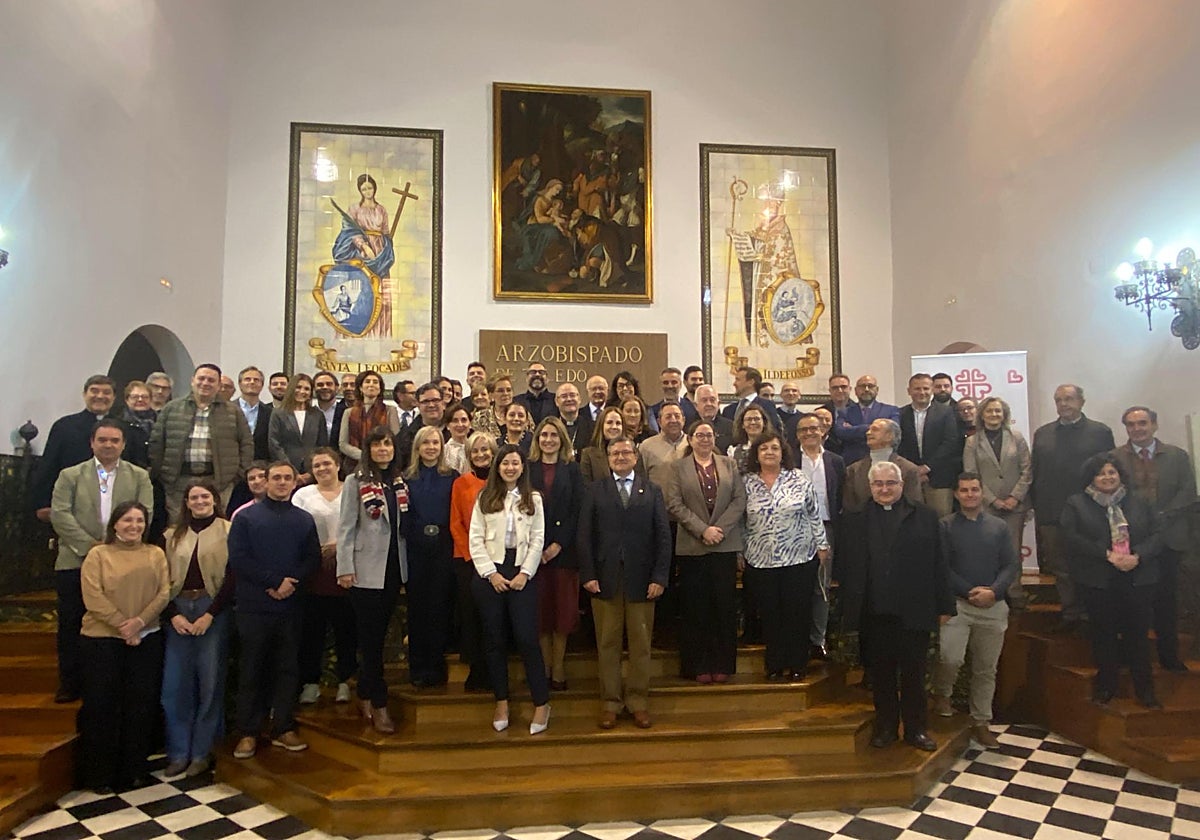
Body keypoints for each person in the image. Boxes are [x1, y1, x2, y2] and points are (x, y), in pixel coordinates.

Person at [835, 461, 954, 752]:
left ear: (901, 485)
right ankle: (886, 727)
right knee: (881, 675)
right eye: (878, 484)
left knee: (914, 675)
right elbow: (847, 568)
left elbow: (940, 563)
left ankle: (916, 729)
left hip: (914, 609)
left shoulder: (926, 516)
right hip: (874, 612)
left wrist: (944, 606)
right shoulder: (854, 519)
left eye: (891, 483)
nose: (884, 489)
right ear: (870, 487)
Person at [49, 419, 153, 703]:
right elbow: (60, 514)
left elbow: (145, 513)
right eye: (103, 440)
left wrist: (114, 548)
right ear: (92, 443)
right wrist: (92, 548)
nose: (109, 445)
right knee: (72, 622)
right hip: (76, 558)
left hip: (123, 561)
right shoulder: (70, 475)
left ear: (123, 444)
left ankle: (111, 682)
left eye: (115, 440)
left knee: (115, 620)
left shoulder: (139, 477)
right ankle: (71, 682)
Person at [578, 435, 672, 729]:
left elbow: (663, 537)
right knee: (607, 643)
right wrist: (589, 574)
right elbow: (584, 536)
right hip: (605, 579)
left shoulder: (652, 491)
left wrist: (659, 576)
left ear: (635, 457)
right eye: (615, 453)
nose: (620, 457)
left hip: (642, 580)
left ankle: (637, 701)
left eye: (626, 452)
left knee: (641, 643)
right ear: (608, 458)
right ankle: (610, 703)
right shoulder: (595, 490)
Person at [228, 462, 320, 758]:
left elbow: (312, 559)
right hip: (254, 605)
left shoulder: (303, 519)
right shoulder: (246, 518)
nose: (281, 482)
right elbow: (239, 559)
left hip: (291, 605)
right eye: (276, 478)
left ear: (295, 483)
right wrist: (273, 582)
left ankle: (283, 727)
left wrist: (289, 583)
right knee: (251, 669)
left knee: (287, 668)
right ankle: (248, 732)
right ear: (265, 482)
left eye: (287, 478)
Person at [78, 501, 170, 793]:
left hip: (146, 638)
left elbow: (164, 592)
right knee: (102, 706)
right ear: (115, 524)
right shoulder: (98, 555)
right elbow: (93, 597)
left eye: (139, 521)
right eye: (127, 520)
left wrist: (139, 623)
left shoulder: (155, 553)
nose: (134, 526)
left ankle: (134, 769)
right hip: (102, 641)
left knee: (139, 706)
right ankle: (100, 774)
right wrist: (123, 625)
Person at [1061, 453, 1163, 708]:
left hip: (1138, 577)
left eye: (1111, 472)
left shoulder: (1140, 500)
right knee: (1104, 634)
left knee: (1138, 636)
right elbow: (1071, 538)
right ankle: (1107, 686)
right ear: (1091, 478)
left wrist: (1137, 557)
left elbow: (1159, 534)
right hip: (1099, 579)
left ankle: (1145, 690)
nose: (1107, 477)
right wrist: (1107, 555)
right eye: (1101, 473)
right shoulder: (1077, 503)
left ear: (1120, 475)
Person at [929, 473, 1018, 749]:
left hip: (994, 606)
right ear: (956, 494)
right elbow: (941, 566)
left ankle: (981, 722)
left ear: (982, 492)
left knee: (985, 669)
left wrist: (993, 591)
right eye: (964, 490)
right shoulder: (945, 526)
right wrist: (970, 592)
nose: (970, 494)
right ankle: (942, 696)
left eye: (975, 489)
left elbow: (1010, 565)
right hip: (958, 606)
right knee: (950, 658)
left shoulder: (999, 527)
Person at [469, 445, 553, 734]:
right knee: (494, 640)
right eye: (505, 463)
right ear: (498, 467)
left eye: (515, 463)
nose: (510, 468)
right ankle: (501, 701)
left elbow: (537, 539)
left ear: (522, 467)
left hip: (521, 572)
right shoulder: (485, 497)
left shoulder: (534, 499)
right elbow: (475, 539)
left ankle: (541, 703)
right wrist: (490, 574)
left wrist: (525, 574)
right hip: (490, 572)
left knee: (527, 639)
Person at [1111, 406, 1197, 670]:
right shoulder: (1115, 458)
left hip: (1170, 540)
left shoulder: (1176, 456)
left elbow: (1187, 492)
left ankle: (1169, 657)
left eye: (1142, 423)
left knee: (1167, 602)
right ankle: (1130, 658)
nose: (1137, 429)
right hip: (1132, 542)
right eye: (1131, 424)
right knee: (1129, 603)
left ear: (1155, 425)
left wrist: (1161, 516)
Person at [160, 479, 234, 778]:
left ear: (215, 500)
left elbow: (233, 576)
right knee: (174, 686)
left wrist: (211, 615)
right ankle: (178, 752)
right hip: (178, 610)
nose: (200, 501)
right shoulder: (170, 536)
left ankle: (202, 752)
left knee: (210, 683)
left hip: (212, 610)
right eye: (194, 497)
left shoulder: (229, 530)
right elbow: (159, 577)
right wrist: (172, 614)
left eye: (205, 496)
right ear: (186, 503)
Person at [741, 431, 829, 681]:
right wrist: (740, 551)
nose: (769, 452)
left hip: (799, 557)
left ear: (783, 453)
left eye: (775, 448)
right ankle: (775, 664)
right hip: (760, 558)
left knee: (797, 612)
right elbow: (740, 520)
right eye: (764, 449)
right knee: (770, 613)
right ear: (756, 455)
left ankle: (798, 663)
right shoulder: (746, 483)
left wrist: (822, 545)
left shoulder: (798, 479)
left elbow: (814, 513)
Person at [664, 419, 746, 682]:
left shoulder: (728, 464)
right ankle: (697, 665)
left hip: (724, 544)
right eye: (699, 435)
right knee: (695, 608)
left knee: (723, 607)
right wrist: (702, 530)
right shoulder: (678, 467)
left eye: (709, 435)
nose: (705, 439)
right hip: (692, 546)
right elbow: (674, 504)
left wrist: (718, 529)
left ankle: (722, 664)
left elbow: (739, 499)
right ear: (690, 439)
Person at [337, 428, 408, 732]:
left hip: (393, 569)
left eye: (387, 443)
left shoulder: (399, 482)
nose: (383, 449)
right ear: (368, 450)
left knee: (377, 637)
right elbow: (345, 527)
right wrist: (344, 567)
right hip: (365, 569)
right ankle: (379, 704)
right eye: (377, 444)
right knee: (370, 639)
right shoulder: (356, 481)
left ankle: (364, 692)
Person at [1031, 384, 1115, 633]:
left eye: (1069, 399)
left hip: (1091, 511)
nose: (1064, 404)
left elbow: (1111, 473)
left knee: (1091, 562)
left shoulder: (1100, 432)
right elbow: (1037, 472)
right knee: (1061, 566)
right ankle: (1071, 613)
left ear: (1082, 401)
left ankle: (1093, 613)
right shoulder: (1043, 433)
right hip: (1052, 510)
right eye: (1058, 400)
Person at [150, 363, 254, 522]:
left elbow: (246, 444)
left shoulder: (233, 412)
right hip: (178, 482)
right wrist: (163, 474)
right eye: (201, 378)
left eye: (211, 380)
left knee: (216, 528)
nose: (205, 383)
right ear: (192, 380)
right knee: (177, 528)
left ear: (219, 385)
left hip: (219, 481)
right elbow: (156, 444)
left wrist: (236, 475)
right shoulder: (171, 409)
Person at [293, 448, 356, 706]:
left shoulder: (351, 490)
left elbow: (360, 525)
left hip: (346, 568)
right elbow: (295, 529)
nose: (322, 469)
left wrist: (338, 547)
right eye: (317, 465)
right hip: (313, 569)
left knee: (346, 629)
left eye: (327, 464)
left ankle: (345, 681)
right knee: (312, 631)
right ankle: (310, 683)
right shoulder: (302, 495)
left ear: (338, 465)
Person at [528, 417, 583, 690]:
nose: (548, 440)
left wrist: (558, 544)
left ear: (562, 439)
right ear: (537, 439)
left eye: (553, 435)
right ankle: (544, 667)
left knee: (562, 613)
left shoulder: (572, 470)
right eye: (543, 435)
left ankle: (559, 667)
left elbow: (578, 509)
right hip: (533, 554)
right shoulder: (527, 468)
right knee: (540, 613)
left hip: (564, 552)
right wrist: (538, 548)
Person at [402, 425, 458, 688]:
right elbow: (404, 514)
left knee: (439, 607)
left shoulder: (453, 476)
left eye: (436, 443)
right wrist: (417, 535)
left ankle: (436, 666)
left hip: (444, 547)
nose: (431, 447)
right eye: (426, 443)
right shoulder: (406, 478)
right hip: (416, 547)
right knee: (417, 608)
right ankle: (418, 667)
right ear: (418, 447)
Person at [962, 396, 1031, 605]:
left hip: (1014, 506)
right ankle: (993, 592)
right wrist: (992, 499)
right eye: (990, 411)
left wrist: (1014, 497)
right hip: (986, 506)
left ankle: (1015, 594)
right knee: (988, 551)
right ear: (982, 414)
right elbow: (970, 473)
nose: (994, 415)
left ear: (1005, 415)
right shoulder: (972, 441)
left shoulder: (1016, 438)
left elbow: (1027, 470)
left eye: (998, 411)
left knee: (1013, 551)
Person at [450, 432, 499, 692]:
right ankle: (475, 669)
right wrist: (473, 556)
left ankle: (495, 669)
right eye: (475, 451)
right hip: (467, 560)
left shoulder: (501, 481)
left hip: (498, 560)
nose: (481, 455)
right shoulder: (460, 483)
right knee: (471, 616)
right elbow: (455, 523)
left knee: (493, 617)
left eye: (485, 450)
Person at [795, 412, 845, 662]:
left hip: (826, 528)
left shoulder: (835, 461)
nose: (809, 433)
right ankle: (797, 638)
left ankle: (818, 640)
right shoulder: (790, 460)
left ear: (823, 431)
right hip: (794, 528)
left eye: (813, 429)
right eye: (803, 430)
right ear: (797, 435)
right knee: (797, 585)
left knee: (821, 587)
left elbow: (840, 496)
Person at [34, 374, 118, 521]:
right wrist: (43, 503)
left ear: (114, 397)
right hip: (70, 501)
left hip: (113, 504)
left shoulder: (123, 429)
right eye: (94, 391)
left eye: (106, 392)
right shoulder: (64, 426)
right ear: (85, 394)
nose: (100, 396)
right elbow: (49, 465)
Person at [332, 173, 395, 339]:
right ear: (360, 191)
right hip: (361, 254)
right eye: (364, 189)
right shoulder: (354, 209)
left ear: (375, 188)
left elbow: (386, 232)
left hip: (380, 256)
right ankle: (357, 332)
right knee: (363, 291)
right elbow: (350, 230)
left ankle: (380, 334)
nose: (368, 191)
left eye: (370, 188)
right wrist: (364, 246)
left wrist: (386, 246)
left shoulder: (381, 210)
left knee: (381, 293)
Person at [897, 373, 962, 517]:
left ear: (932, 389)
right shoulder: (900, 414)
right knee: (912, 520)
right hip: (909, 478)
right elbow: (898, 444)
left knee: (941, 521)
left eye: (926, 388)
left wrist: (927, 467)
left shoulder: (946, 412)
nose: (922, 392)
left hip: (939, 479)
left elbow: (950, 442)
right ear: (909, 391)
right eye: (917, 389)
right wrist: (914, 470)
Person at [841, 419, 922, 513]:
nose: (868, 433)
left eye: (875, 429)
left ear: (889, 436)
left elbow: (915, 505)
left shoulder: (909, 469)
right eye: (868, 430)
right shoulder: (853, 470)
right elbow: (849, 506)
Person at [268, 373, 328, 486]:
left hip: (312, 473)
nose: (302, 391)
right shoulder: (278, 413)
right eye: (298, 387)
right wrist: (291, 471)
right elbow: (274, 444)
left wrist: (311, 472)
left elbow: (322, 446)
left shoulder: (317, 415)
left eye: (307, 389)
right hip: (285, 473)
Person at [338, 370, 400, 474]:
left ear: (380, 389)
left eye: (375, 382)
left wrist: (377, 454)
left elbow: (395, 439)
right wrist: (365, 456)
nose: (371, 384)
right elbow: (343, 444)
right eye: (367, 381)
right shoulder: (349, 412)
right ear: (360, 388)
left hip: (383, 464)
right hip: (355, 465)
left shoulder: (390, 410)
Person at [832, 375, 900, 466]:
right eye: (862, 386)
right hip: (853, 464)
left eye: (870, 386)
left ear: (877, 390)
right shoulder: (845, 412)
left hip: (884, 462)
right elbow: (841, 432)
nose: (867, 389)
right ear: (856, 391)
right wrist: (878, 429)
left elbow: (893, 432)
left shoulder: (890, 410)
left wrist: (853, 429)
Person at [580, 406, 647, 483]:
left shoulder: (633, 452)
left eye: (618, 423)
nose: (614, 427)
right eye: (609, 422)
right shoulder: (588, 454)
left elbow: (641, 482)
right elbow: (586, 486)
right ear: (601, 425)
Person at [396, 381, 447, 471]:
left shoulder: (456, 429)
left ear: (443, 403)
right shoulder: (405, 437)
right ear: (418, 405)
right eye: (425, 401)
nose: (431, 405)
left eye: (435, 400)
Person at [640, 403, 689, 485]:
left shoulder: (693, 443)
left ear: (683, 420)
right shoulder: (646, 447)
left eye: (677, 416)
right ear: (659, 422)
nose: (673, 420)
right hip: (658, 497)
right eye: (668, 417)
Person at [720, 366, 782, 433]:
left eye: (738, 380)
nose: (734, 384)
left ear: (751, 382)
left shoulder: (766, 405)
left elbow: (773, 431)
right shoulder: (728, 410)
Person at [647, 367, 698, 433]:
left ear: (680, 384)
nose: (670, 386)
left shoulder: (693, 408)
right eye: (666, 383)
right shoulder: (653, 411)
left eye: (674, 382)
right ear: (661, 385)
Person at [553, 382, 593, 459]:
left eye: (572, 395)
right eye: (564, 396)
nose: (569, 399)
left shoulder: (592, 427)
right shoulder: (552, 427)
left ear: (579, 399)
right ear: (556, 402)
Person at [121, 380, 156, 467]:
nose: (140, 400)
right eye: (135, 397)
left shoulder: (160, 421)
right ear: (127, 400)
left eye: (145, 397)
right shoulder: (120, 423)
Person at [694, 384, 735, 454]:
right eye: (704, 400)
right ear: (696, 406)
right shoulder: (689, 426)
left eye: (712, 400)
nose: (709, 404)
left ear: (718, 404)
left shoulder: (731, 427)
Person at [727, 403, 768, 473]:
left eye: (757, 419)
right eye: (749, 419)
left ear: (764, 423)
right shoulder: (733, 452)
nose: (753, 422)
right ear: (742, 425)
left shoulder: (773, 448)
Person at [473, 376, 515, 442]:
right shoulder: (480, 417)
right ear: (491, 395)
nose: (506, 393)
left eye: (509, 390)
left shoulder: (521, 414)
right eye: (500, 391)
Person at [313, 371, 344, 447]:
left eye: (329, 384)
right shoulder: (308, 412)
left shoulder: (345, 412)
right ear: (313, 389)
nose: (325, 387)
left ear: (337, 388)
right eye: (320, 385)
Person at [442, 404, 474, 474]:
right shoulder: (443, 452)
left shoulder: (476, 448)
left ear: (470, 424)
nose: (460, 424)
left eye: (464, 420)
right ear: (447, 425)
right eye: (455, 421)